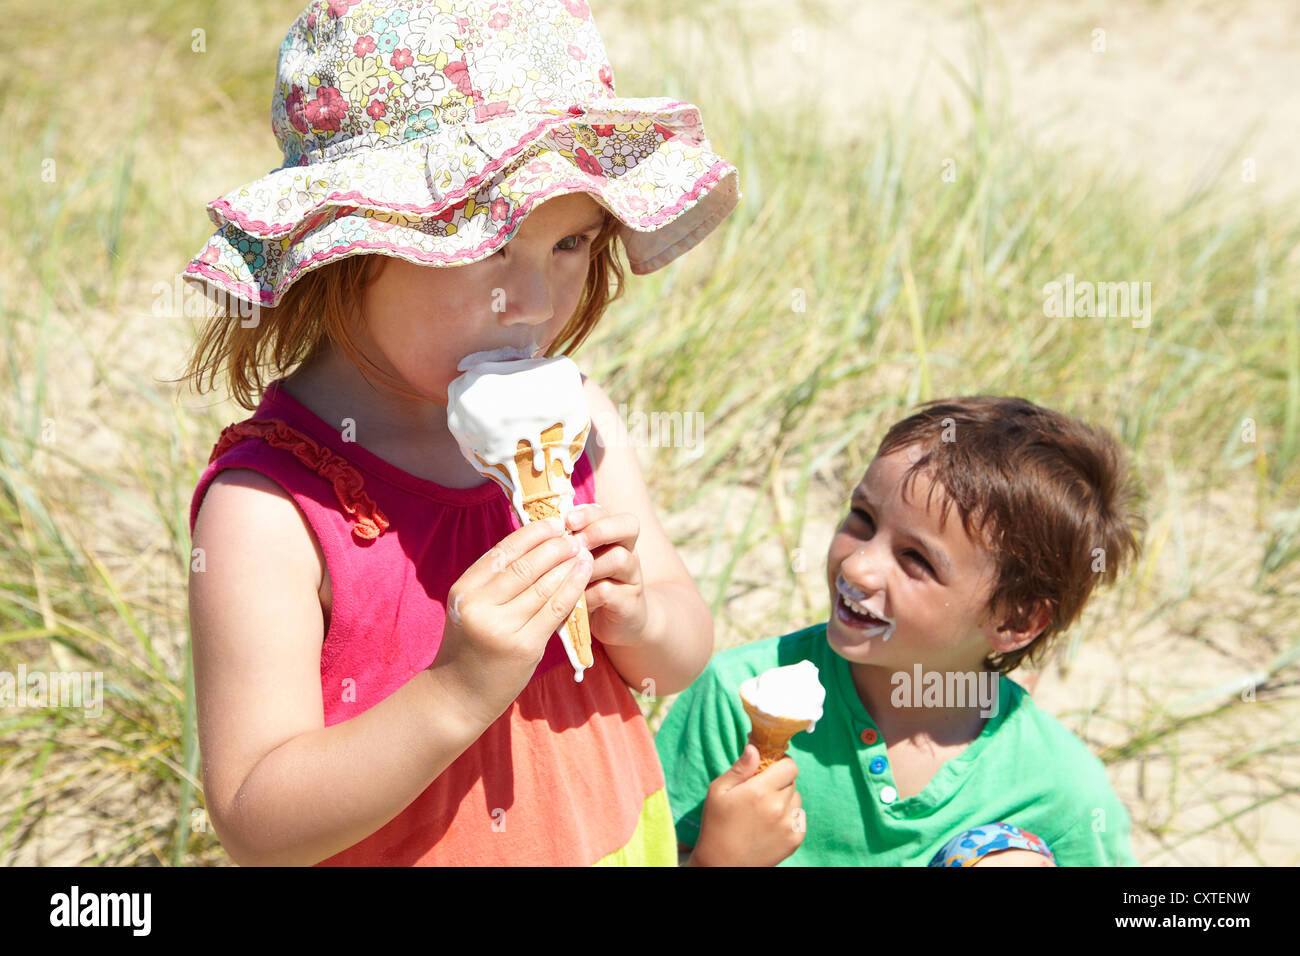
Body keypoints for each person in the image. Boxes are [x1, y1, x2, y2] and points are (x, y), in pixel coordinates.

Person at [180, 0, 738, 866]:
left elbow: (679, 659)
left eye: (571, 245)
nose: (541, 303)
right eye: (487, 249)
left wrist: (635, 617)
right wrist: (457, 690)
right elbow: (258, 822)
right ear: (348, 246)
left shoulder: (581, 425)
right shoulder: (272, 508)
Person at [655, 396, 1144, 866]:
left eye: (916, 559)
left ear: (1015, 621)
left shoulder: (1056, 788)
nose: (859, 566)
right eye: (863, 520)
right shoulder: (735, 700)